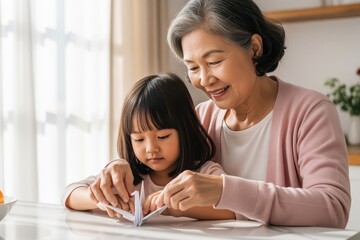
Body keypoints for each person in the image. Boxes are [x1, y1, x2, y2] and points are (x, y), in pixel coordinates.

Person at [89, 0, 351, 228]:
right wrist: (119, 164)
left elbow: (332, 208)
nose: (204, 79)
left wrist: (223, 190)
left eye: (214, 62)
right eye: (193, 67)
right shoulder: (201, 118)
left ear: (255, 48)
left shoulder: (310, 111)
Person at [62, 73, 235, 220]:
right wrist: (100, 199)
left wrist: (171, 206)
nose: (151, 148)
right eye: (139, 139)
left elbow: (233, 211)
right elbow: (69, 195)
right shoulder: (129, 177)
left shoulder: (205, 173)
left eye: (162, 136)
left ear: (185, 131)